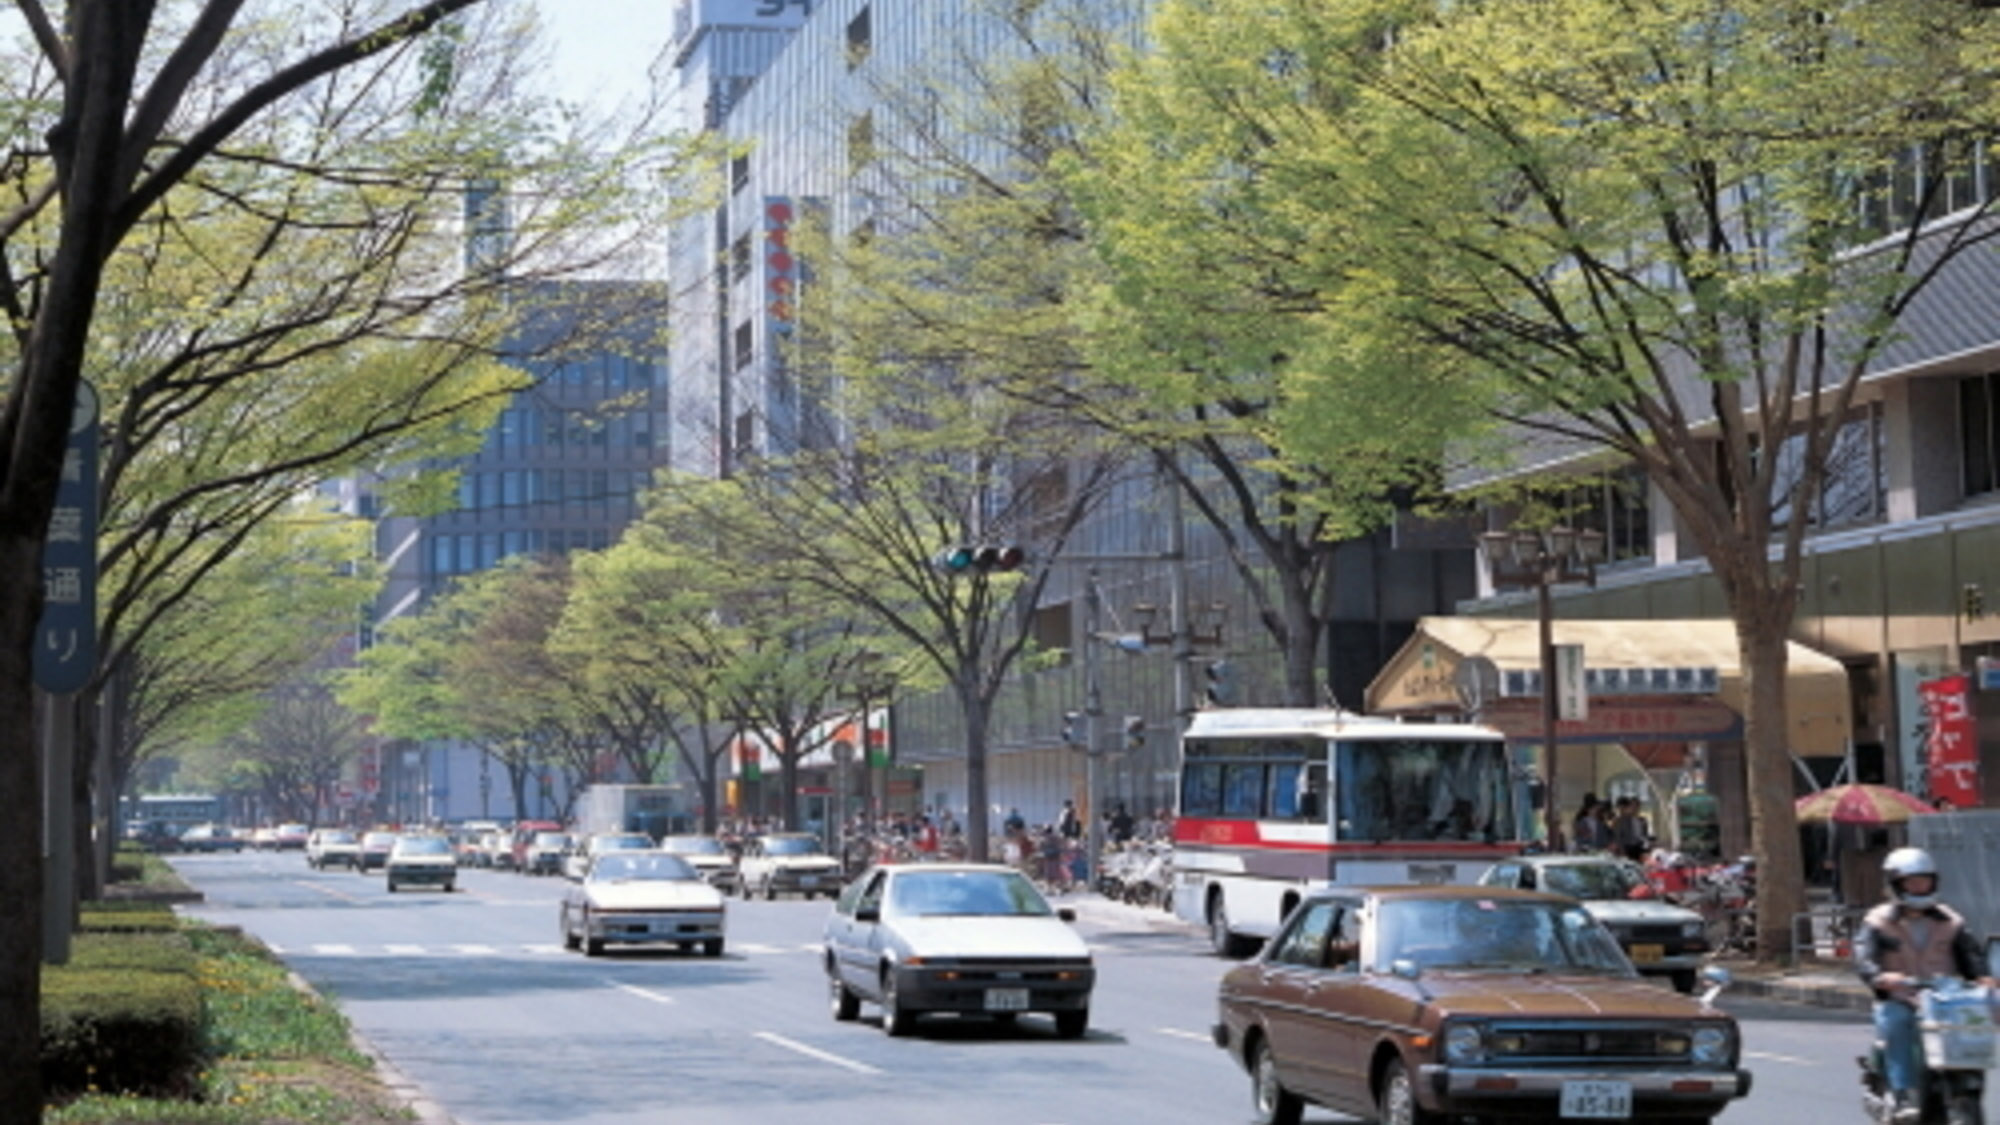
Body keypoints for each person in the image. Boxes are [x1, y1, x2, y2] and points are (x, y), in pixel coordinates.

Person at [1854, 846, 1996, 1124]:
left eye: (1924, 880)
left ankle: (1966, 1087)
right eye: (1912, 882)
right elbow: (1863, 957)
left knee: (1975, 1021)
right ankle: (1903, 1092)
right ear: (1895, 884)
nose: (1920, 887)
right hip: (1901, 997)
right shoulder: (1878, 921)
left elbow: (1971, 956)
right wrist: (1880, 976)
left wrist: (1985, 978)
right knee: (1896, 1021)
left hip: (1945, 998)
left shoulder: (1951, 921)